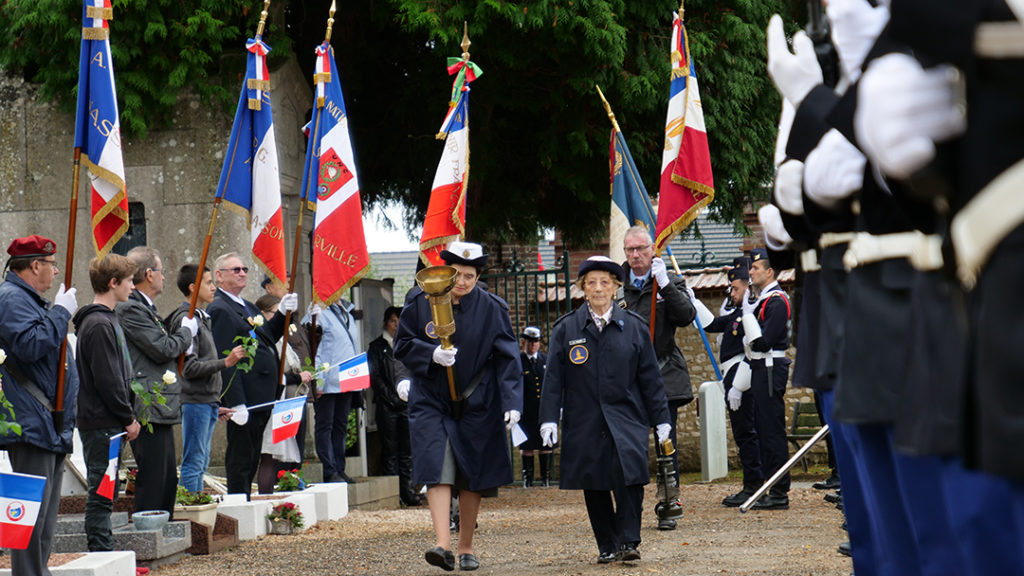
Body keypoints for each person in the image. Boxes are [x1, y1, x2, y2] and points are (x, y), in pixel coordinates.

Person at [394, 241, 522, 572]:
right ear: (446, 272)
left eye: (470, 275)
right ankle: (442, 544)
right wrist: (429, 354)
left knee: (472, 473)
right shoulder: (420, 301)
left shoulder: (493, 308)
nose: (462, 282)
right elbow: (402, 344)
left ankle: (466, 545)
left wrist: (512, 402)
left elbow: (508, 358)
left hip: (477, 400)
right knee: (437, 465)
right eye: (458, 275)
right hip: (431, 399)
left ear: (478, 276)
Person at [539, 256, 671, 564]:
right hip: (584, 419)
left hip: (627, 418)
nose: (598, 288)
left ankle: (629, 540)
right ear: (583, 288)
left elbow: (651, 379)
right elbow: (553, 379)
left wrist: (661, 419)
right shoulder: (567, 328)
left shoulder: (635, 329)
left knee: (630, 477)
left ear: (615, 288)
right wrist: (548, 419)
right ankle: (607, 544)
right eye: (591, 283)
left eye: (605, 283)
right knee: (594, 481)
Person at [0, 234, 79, 576]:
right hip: (31, 422)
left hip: (45, 422)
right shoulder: (11, 299)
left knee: (43, 519)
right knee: (29, 517)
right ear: (35, 265)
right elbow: (31, 346)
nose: (54, 271)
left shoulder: (27, 300)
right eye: (50, 264)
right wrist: (61, 312)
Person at [619, 226, 696, 530]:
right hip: (628, 379)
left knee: (666, 441)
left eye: (641, 249)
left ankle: (668, 501)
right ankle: (630, 504)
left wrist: (664, 284)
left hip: (664, 372)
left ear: (652, 249)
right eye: (630, 250)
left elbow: (686, 316)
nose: (635, 255)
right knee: (630, 444)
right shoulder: (617, 286)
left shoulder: (670, 281)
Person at [207, 252, 296, 497]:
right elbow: (227, 356)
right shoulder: (220, 309)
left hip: (262, 395)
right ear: (219, 276)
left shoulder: (245, 305)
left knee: (253, 455)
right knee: (241, 458)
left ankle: (244, 499)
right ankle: (238, 504)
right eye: (235, 270)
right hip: (246, 396)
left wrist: (282, 314)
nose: (242, 273)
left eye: (244, 269)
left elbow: (267, 336)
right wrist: (235, 402)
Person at [115, 247, 196, 514]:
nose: (164, 277)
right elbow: (162, 347)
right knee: (153, 477)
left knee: (166, 478)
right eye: (161, 271)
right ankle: (149, 534)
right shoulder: (131, 309)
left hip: (159, 404)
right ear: (149, 274)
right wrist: (185, 333)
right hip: (148, 404)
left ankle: (163, 532)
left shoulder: (145, 308)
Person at [73, 255, 141, 551]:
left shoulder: (106, 319)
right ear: (113, 283)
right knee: (101, 493)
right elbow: (109, 380)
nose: (132, 286)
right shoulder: (99, 323)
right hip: (103, 422)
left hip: (107, 421)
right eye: (128, 281)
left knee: (107, 490)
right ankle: (101, 554)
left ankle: (106, 552)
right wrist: (127, 417)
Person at [166, 264, 246, 494]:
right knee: (194, 463)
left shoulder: (202, 317)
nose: (214, 287)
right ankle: (191, 515)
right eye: (209, 283)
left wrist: (215, 401)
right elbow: (188, 368)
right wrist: (225, 362)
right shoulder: (186, 319)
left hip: (206, 401)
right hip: (195, 401)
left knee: (201, 462)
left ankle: (196, 511)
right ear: (193, 288)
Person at [695, 263, 761, 507]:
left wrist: (739, 386)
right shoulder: (737, 314)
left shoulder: (751, 314)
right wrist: (693, 301)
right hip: (731, 375)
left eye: (735, 288)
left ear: (748, 287)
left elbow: (751, 352)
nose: (731, 294)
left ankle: (754, 485)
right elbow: (712, 325)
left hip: (741, 378)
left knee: (747, 433)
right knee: (743, 433)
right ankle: (753, 483)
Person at [741, 248, 791, 510]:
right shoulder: (762, 300)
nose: (750, 272)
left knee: (772, 430)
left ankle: (780, 491)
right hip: (762, 368)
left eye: (756, 268)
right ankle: (771, 484)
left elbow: (765, 342)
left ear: (770, 271)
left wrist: (748, 323)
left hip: (771, 366)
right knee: (763, 428)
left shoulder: (776, 300)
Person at [254, 294, 312, 493]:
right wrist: (296, 377)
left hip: (289, 399)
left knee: (283, 452)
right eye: (275, 312)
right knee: (270, 453)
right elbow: (275, 371)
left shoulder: (282, 338)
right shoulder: (264, 337)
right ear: (263, 314)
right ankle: (267, 496)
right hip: (274, 399)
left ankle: (287, 488)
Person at [368, 305, 420, 506]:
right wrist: (391, 397)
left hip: (406, 404)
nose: (395, 326)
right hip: (386, 405)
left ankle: (407, 490)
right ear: (385, 322)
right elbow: (376, 377)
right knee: (390, 450)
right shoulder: (376, 347)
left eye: (399, 322)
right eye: (392, 321)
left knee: (406, 451)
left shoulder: (406, 346)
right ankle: (393, 493)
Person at [306, 298, 361, 484]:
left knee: (340, 425)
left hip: (347, 378)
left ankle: (340, 467)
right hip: (328, 379)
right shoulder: (318, 311)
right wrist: (318, 381)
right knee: (325, 425)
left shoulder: (345, 310)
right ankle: (329, 469)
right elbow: (315, 348)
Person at [516, 326, 552, 488]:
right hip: (526, 410)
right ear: (524, 343)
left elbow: (552, 385)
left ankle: (546, 478)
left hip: (543, 409)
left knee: (545, 445)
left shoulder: (546, 360)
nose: (533, 345)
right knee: (527, 445)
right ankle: (527, 480)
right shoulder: (518, 361)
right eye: (530, 342)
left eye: (536, 342)